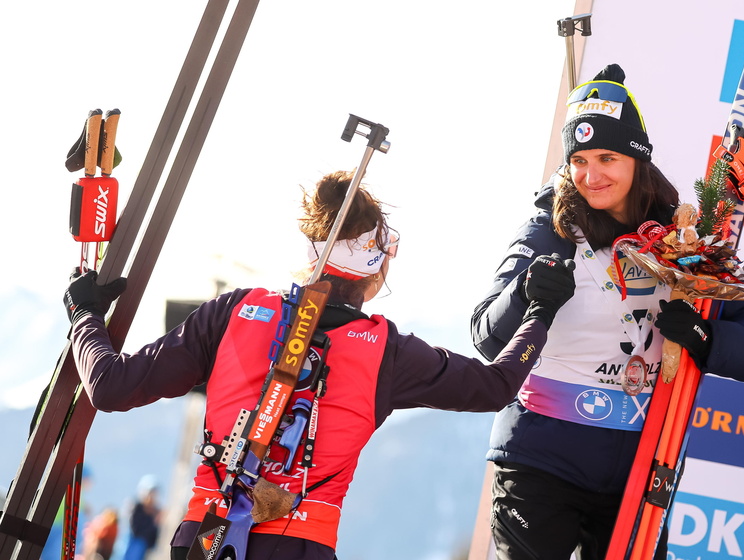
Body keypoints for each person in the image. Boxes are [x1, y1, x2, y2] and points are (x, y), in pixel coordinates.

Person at [63, 170, 571, 560]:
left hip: (205, 537)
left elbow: (109, 387)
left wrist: (84, 315)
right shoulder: (385, 350)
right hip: (300, 544)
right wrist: (539, 309)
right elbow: (495, 387)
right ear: (378, 262)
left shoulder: (235, 311)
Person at [470, 64, 744, 560]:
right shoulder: (550, 230)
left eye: (608, 157)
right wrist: (527, 292)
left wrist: (702, 336)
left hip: (641, 464)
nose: (592, 176)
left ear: (638, 159)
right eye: (579, 160)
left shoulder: (681, 235)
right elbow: (486, 337)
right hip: (540, 459)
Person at [122, 475, 160, 560]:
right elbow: (135, 529)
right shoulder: (136, 508)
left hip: (144, 551)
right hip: (131, 548)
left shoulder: (155, 513)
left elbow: (154, 540)